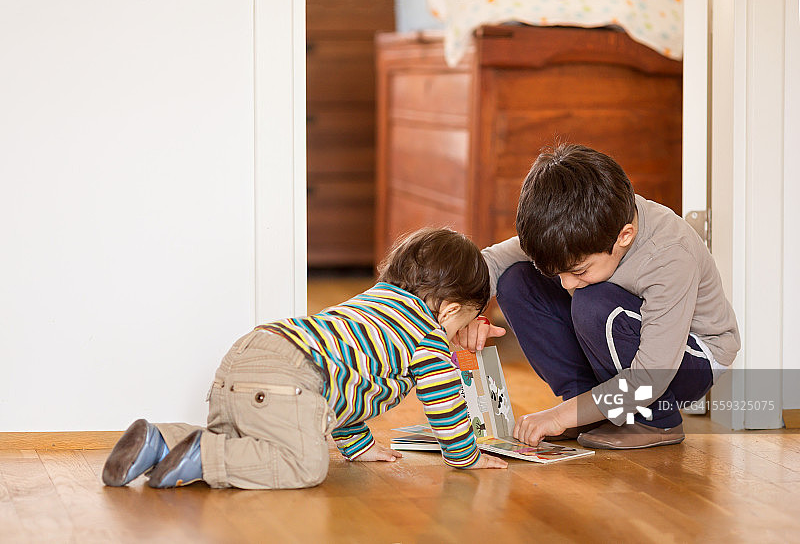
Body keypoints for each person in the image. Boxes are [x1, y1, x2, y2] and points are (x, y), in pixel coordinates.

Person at [102, 227, 507, 490]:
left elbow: (345, 381)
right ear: (452, 310)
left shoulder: (373, 302)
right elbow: (444, 401)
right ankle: (204, 456)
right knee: (304, 465)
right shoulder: (428, 335)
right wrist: (464, 455)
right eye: (462, 323)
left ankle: (161, 440)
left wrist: (359, 445)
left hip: (247, 355)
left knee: (248, 442)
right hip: (290, 376)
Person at [457, 144, 740, 450]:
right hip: (631, 344)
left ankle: (656, 421)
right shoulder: (572, 230)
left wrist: (559, 417)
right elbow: (492, 262)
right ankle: (588, 412)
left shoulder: (669, 255)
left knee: (593, 303)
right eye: (560, 273)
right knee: (515, 280)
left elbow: (651, 377)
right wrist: (470, 316)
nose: (566, 284)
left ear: (624, 237)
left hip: (686, 363)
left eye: (578, 270)